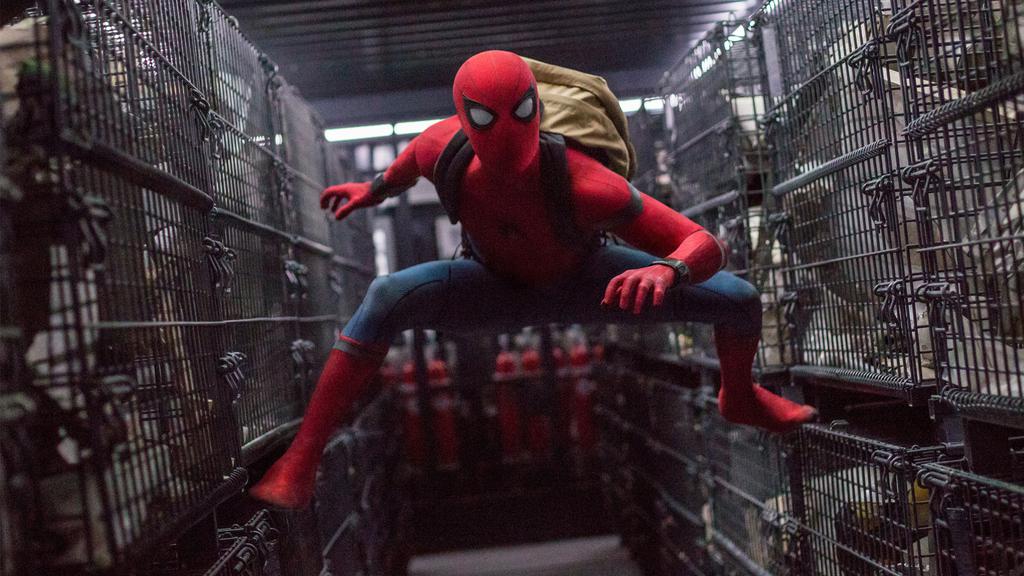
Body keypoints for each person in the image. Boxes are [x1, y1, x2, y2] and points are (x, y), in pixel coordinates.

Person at [249, 50, 816, 509]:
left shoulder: (588, 184)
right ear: (464, 118)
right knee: (383, 296)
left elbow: (704, 243)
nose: (507, 133)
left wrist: (667, 269)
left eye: (521, 113)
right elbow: (406, 166)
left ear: (537, 108)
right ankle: (303, 457)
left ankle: (739, 395)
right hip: (491, 287)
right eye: (485, 119)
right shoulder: (440, 149)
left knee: (739, 299)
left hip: (592, 281)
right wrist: (369, 192)